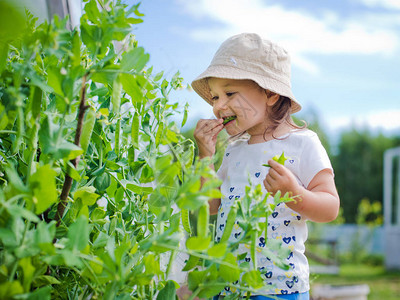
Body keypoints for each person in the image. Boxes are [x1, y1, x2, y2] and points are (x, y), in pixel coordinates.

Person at [191, 33, 340, 299]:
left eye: (229, 93)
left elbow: (330, 208)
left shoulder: (304, 144)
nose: (218, 106)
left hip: (279, 288)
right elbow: (210, 208)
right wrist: (205, 157)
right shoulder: (234, 151)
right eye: (214, 97)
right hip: (226, 283)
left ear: (270, 93)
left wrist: (296, 194)